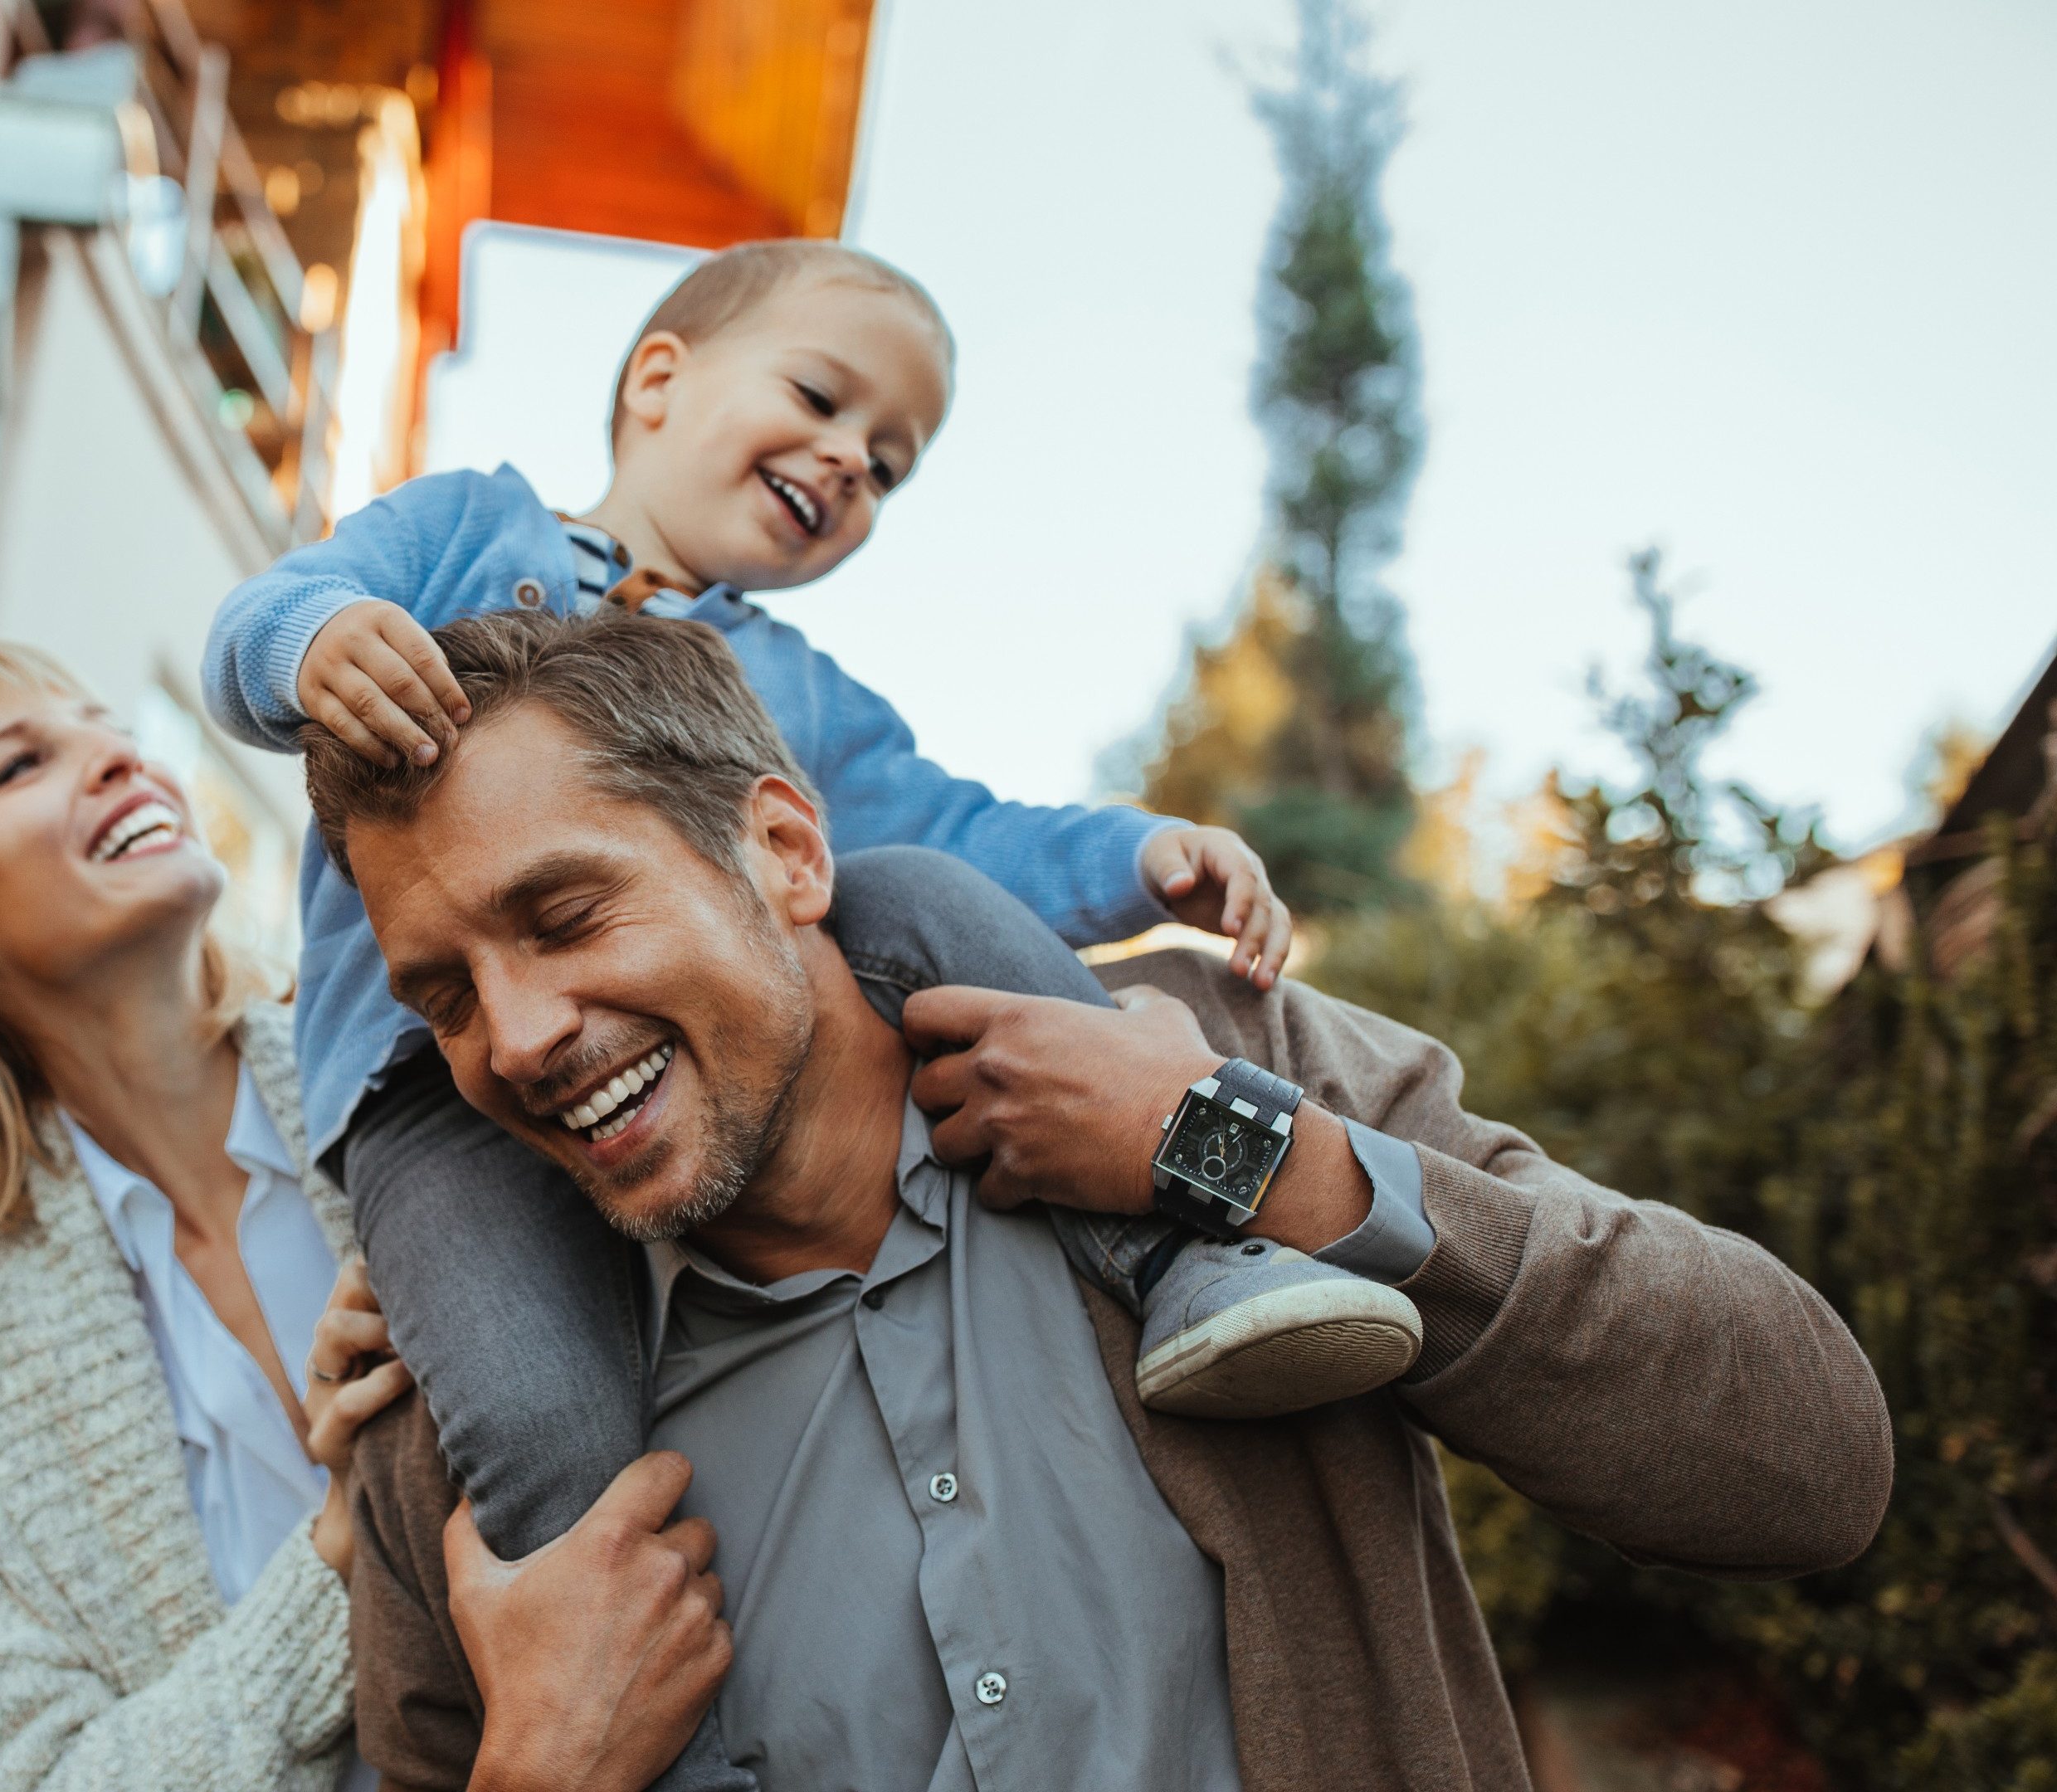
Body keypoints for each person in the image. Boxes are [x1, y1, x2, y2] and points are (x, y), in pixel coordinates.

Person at [205, 238, 1419, 1792]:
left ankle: (1186, 1258)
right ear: (658, 381)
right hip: (433, 1098)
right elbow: (275, 608)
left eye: (890, 464)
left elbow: (963, 830)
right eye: (822, 396)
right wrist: (307, 649)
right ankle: (676, 1749)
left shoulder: (798, 694)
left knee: (911, 887)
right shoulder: (465, 531)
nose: (851, 458)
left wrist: (1133, 857)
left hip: (697, 1051)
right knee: (532, 1405)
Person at [307, 609, 1895, 1790]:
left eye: (568, 914)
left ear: (784, 851)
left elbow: (1807, 1465)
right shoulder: (458, 1448)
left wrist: (1250, 1160)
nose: (514, 1039)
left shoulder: (1220, 1063)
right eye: (442, 994)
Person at [0, 641, 416, 1792]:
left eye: (108, 726)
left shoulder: (395, 1090)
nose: (119, 757)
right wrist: (337, 1557)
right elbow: (36, 1776)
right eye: (22, 766)